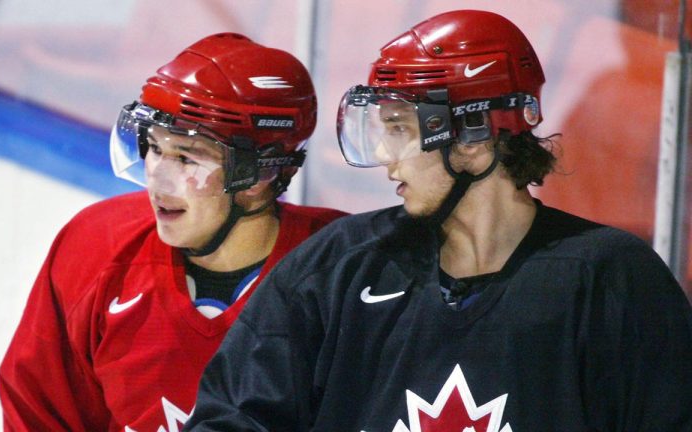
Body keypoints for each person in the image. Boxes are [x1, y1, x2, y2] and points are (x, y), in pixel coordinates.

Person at [185, 11, 692, 431]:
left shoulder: (611, 282)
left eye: (400, 128)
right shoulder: (339, 268)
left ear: (474, 136)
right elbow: (231, 418)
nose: (385, 155)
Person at [0, 33, 346, 431]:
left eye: (186, 157)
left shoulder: (341, 274)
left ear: (259, 174)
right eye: (155, 148)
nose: (158, 181)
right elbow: (39, 415)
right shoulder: (96, 247)